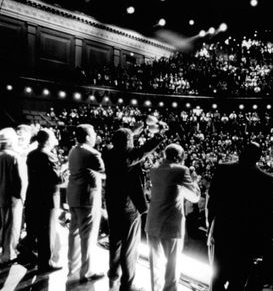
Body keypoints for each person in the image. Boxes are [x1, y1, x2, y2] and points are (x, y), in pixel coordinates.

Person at [103, 122, 167, 291]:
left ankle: (113, 277)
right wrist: (159, 135)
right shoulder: (128, 156)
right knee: (130, 246)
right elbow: (145, 149)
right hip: (128, 205)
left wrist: (130, 133)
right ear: (129, 141)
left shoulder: (108, 153)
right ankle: (128, 284)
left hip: (111, 202)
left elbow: (121, 143)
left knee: (115, 241)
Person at [206, 142, 273, 291]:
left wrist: (211, 226)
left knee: (217, 277)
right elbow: (268, 215)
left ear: (241, 153)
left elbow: (212, 201)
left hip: (223, 231)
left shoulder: (223, 170)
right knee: (238, 280)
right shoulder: (268, 180)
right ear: (258, 157)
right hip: (248, 238)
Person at [146, 144, 200, 291]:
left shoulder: (154, 169)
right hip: (171, 225)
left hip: (152, 222)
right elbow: (195, 197)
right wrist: (194, 181)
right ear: (178, 157)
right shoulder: (182, 171)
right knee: (172, 264)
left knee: (155, 264)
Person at [66, 124, 105, 282]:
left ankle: (72, 267)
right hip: (88, 199)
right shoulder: (92, 153)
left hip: (73, 196)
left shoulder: (72, 150)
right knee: (88, 236)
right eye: (94, 133)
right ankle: (86, 271)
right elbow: (104, 172)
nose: (96, 135)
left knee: (74, 233)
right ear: (88, 137)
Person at [25, 129, 63, 272]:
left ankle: (35, 259)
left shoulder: (31, 154)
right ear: (48, 140)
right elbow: (57, 179)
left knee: (36, 229)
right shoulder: (49, 156)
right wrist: (64, 172)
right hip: (47, 198)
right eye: (53, 137)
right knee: (47, 231)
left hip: (33, 195)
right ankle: (45, 263)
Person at [0, 128, 23, 264]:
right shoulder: (13, 156)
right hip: (11, 196)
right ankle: (9, 254)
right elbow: (18, 179)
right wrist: (20, 197)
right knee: (11, 226)